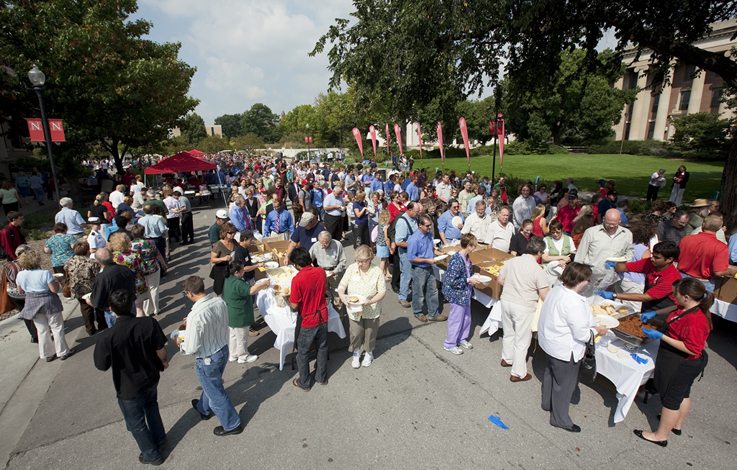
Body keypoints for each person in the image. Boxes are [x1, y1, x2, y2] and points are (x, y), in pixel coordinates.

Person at [633, 278, 714, 446]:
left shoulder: (695, 320)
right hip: (686, 361)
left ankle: (660, 436)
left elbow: (693, 348)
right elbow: (675, 308)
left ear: (686, 296)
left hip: (683, 362)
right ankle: (676, 425)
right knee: (683, 393)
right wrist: (656, 313)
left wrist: (662, 336)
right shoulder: (690, 306)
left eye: (675, 294)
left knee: (671, 398)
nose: (673, 297)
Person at [93, 289, 169, 465]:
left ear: (111, 308)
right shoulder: (149, 323)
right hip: (151, 376)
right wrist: (163, 362)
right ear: (132, 306)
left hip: (128, 386)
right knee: (152, 407)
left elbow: (101, 366)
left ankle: (152, 455)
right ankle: (160, 439)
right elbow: (161, 349)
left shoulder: (107, 337)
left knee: (136, 422)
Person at [537, 262, 608, 432]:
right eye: (587, 280)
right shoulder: (574, 302)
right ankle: (560, 419)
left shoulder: (556, 289)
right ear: (581, 281)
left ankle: (547, 403)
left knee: (550, 374)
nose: (588, 283)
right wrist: (598, 330)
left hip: (550, 342)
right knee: (565, 385)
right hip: (564, 349)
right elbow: (582, 334)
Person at [175, 276, 243, 436]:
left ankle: (232, 424)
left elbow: (191, 347)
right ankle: (203, 408)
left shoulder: (195, 315)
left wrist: (180, 343)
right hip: (222, 349)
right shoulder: (219, 302)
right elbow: (222, 320)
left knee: (216, 391)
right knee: (212, 384)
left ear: (190, 293)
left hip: (207, 358)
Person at [498, 237, 550, 381]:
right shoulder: (537, 270)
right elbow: (545, 295)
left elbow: (500, 280)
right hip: (524, 305)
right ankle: (518, 372)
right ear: (539, 253)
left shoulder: (512, 261)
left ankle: (507, 358)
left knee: (509, 332)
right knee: (522, 339)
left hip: (507, 300)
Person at [16, 250, 74, 362]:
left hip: (32, 302)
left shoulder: (20, 274)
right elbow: (54, 290)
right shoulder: (45, 273)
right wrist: (56, 281)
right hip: (49, 302)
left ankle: (47, 354)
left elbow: (20, 291)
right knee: (56, 327)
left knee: (41, 330)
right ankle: (62, 352)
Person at [337, 245, 386, 368]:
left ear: (370, 259)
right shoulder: (352, 268)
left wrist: (371, 301)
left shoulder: (377, 271)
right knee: (356, 332)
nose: (360, 264)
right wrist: (342, 295)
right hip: (354, 309)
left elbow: (382, 292)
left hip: (371, 309)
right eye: (358, 261)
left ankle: (369, 353)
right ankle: (356, 352)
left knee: (370, 332)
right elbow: (342, 284)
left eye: (363, 261)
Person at [289, 248, 329, 391]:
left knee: (303, 352)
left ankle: (304, 382)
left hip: (308, 320)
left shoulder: (297, 279)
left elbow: (294, 305)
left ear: (297, 265)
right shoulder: (320, 271)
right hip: (322, 315)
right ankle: (321, 377)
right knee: (322, 348)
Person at [601, 241, 682, 311]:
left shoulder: (672, 278)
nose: (652, 259)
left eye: (657, 258)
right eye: (652, 255)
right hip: (648, 306)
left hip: (664, 310)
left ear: (669, 259)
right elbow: (626, 267)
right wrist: (614, 266)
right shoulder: (649, 263)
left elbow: (646, 297)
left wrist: (614, 295)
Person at [441, 234, 484, 355]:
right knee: (456, 319)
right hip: (456, 294)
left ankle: (461, 338)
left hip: (465, 292)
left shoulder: (466, 257)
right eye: (474, 246)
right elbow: (451, 281)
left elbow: (466, 272)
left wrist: (474, 274)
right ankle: (450, 343)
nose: (475, 248)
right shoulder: (456, 259)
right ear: (468, 246)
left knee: (466, 317)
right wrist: (469, 280)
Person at [223, 261, 270, 364]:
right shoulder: (237, 282)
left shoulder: (229, 278)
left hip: (231, 313)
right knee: (242, 337)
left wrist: (248, 284)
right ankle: (243, 356)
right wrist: (263, 284)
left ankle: (233, 354)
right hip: (240, 315)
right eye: (242, 270)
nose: (243, 272)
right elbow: (251, 291)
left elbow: (243, 288)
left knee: (233, 335)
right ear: (236, 272)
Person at [677, 214, 736, 292]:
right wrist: (732, 271)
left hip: (681, 277)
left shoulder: (686, 239)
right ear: (719, 229)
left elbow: (675, 258)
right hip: (702, 283)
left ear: (703, 225)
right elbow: (719, 272)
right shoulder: (720, 247)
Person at [407, 214, 446, 322]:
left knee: (433, 291)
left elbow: (431, 249)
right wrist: (427, 260)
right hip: (419, 269)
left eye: (430, 225)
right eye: (427, 226)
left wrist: (438, 253)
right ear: (420, 225)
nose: (429, 228)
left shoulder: (428, 235)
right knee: (418, 292)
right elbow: (411, 258)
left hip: (430, 266)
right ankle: (418, 312)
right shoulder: (414, 239)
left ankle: (433, 313)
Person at [87, 248, 136, 328]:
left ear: (97, 262)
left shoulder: (102, 278)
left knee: (118, 335)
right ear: (112, 256)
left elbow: (97, 302)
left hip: (113, 311)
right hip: (130, 306)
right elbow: (133, 287)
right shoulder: (126, 269)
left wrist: (89, 301)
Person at [64, 241, 105, 335]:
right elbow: (97, 275)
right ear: (87, 251)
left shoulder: (70, 261)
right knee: (99, 306)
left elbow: (66, 271)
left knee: (85, 308)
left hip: (77, 288)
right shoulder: (91, 262)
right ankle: (102, 324)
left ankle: (90, 328)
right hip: (92, 288)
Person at [130, 225, 167, 317]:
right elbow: (158, 255)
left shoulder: (129, 245)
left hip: (138, 269)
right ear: (143, 232)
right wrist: (163, 264)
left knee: (144, 289)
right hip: (152, 266)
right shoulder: (150, 242)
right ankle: (155, 308)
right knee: (154, 288)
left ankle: (147, 310)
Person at [109, 232, 150, 316]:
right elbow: (145, 269)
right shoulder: (135, 255)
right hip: (136, 284)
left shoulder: (112, 257)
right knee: (139, 309)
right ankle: (141, 326)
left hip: (120, 286)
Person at [3, 245, 37, 342]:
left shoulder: (8, 265)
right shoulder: (28, 265)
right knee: (34, 314)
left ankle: (33, 335)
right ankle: (37, 334)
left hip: (13, 294)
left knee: (25, 314)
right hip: (26, 292)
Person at [309, 231, 347, 308]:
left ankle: (339, 317)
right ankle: (326, 315)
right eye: (321, 244)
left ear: (330, 240)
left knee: (337, 296)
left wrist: (334, 271)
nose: (323, 246)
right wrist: (310, 264)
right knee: (323, 295)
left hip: (335, 272)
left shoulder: (337, 245)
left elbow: (343, 261)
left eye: (325, 244)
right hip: (321, 273)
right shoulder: (316, 245)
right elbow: (309, 258)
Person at [395, 202, 420, 308]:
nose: (418, 213)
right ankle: (402, 297)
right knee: (407, 274)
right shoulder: (402, 222)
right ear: (409, 210)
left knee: (416, 275)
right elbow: (399, 242)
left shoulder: (414, 219)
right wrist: (412, 245)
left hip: (415, 252)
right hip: (406, 252)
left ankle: (414, 295)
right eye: (416, 211)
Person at [542, 220, 576, 286]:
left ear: (562, 230)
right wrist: (562, 257)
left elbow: (573, 254)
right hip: (550, 270)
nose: (555, 234)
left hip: (564, 269)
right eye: (553, 232)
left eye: (557, 232)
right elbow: (545, 258)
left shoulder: (569, 239)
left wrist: (564, 261)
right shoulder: (546, 240)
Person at [210, 222, 238, 297]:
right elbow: (212, 259)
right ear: (225, 233)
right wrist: (223, 258)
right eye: (231, 233)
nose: (233, 234)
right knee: (221, 293)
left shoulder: (234, 242)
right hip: (221, 271)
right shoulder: (218, 245)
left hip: (231, 270)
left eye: (234, 232)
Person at [376, 210, 392, 280]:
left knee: (385, 259)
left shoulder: (380, 224)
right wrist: (390, 248)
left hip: (379, 244)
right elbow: (386, 238)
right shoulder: (386, 226)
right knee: (383, 260)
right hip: (384, 245)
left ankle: (387, 272)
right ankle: (381, 275)